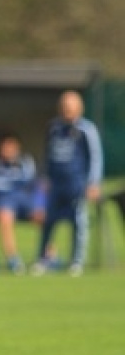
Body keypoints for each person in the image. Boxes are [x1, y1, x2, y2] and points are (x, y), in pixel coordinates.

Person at [32, 90, 104, 276]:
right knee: (48, 222)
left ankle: (76, 261)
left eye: (71, 107)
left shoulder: (86, 129)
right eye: (64, 107)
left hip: (77, 185)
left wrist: (93, 183)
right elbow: (47, 155)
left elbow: (95, 157)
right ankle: (43, 258)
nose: (67, 111)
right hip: (55, 185)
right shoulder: (53, 128)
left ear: (80, 108)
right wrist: (44, 178)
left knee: (79, 223)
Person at [0, 132, 43, 274]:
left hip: (24, 197)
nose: (8, 150)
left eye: (12, 147)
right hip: (3, 198)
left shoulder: (25, 161)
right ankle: (13, 258)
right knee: (4, 216)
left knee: (41, 216)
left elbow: (30, 179)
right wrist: (13, 184)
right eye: (5, 147)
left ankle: (48, 255)